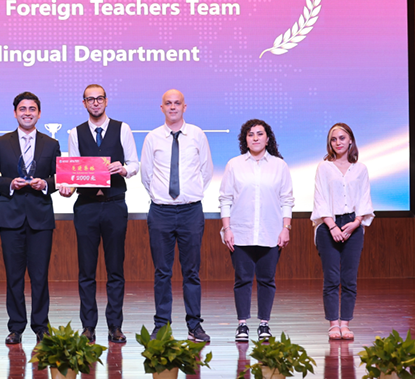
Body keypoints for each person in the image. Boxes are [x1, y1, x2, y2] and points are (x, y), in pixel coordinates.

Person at [59, 84, 139, 344]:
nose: (95, 103)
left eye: (99, 98)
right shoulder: (75, 133)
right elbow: (73, 170)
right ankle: (88, 326)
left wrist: (124, 169)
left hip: (115, 204)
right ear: (84, 103)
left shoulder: (122, 128)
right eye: (90, 99)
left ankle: (115, 326)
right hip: (87, 206)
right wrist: (68, 187)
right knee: (86, 270)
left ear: (106, 101)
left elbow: (135, 163)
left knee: (115, 268)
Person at [0, 92, 61, 345]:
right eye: (23, 109)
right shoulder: (1, 143)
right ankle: (16, 327)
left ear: (39, 113)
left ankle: (41, 326)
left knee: (40, 276)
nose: (27, 113)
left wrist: (45, 184)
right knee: (14, 276)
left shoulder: (51, 144)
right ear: (15, 112)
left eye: (32, 109)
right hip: (11, 217)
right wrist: (10, 183)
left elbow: (60, 177)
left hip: (41, 217)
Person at [141, 89, 213, 343]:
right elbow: (146, 175)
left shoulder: (197, 135)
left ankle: (195, 325)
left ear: (185, 107)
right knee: (162, 272)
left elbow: (206, 171)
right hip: (161, 211)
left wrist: (189, 194)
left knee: (191, 271)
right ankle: (162, 326)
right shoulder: (152, 137)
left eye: (177, 103)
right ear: (161, 108)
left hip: (191, 211)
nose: (173, 107)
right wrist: (163, 196)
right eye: (168, 103)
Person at [219, 119, 294, 342]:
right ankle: (242, 325)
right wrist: (227, 229)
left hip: (271, 233)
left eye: (260, 134)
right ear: (245, 139)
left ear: (267, 138)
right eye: (250, 134)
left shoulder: (279, 166)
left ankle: (264, 324)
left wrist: (286, 228)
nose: (255, 138)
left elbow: (287, 199)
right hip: (240, 232)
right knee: (242, 279)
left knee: (267, 279)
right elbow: (225, 198)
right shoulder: (234, 164)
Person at [311, 123, 374, 340]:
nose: (338, 142)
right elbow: (320, 198)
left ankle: (345, 324)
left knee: (349, 278)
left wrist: (356, 223)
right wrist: (332, 226)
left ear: (350, 141)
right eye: (333, 139)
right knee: (331, 277)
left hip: (353, 224)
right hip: (328, 224)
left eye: (342, 138)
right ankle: (333, 324)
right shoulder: (324, 167)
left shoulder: (361, 169)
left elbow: (364, 198)